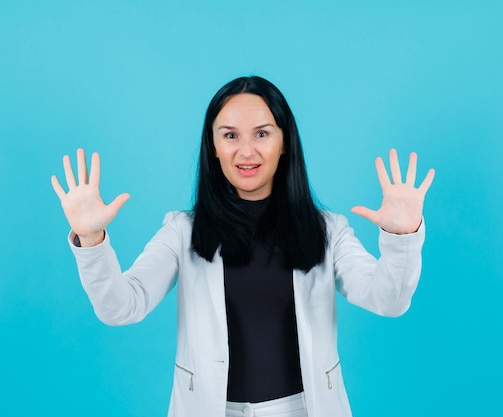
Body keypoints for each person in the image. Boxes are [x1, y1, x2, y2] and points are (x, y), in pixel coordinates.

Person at [51, 76, 435, 417]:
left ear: (285, 142)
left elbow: (389, 301)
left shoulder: (328, 230)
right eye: (230, 135)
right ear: (213, 147)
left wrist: (402, 239)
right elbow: (120, 307)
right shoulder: (182, 231)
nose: (246, 151)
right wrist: (91, 241)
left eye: (262, 134)